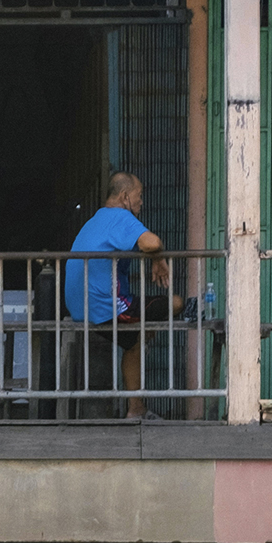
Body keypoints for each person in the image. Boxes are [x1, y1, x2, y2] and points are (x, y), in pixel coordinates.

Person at [63, 172, 170, 416]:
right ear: (125, 197)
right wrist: (159, 258)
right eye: (139, 196)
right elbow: (151, 243)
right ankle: (136, 409)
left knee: (137, 335)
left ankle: (137, 408)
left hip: (79, 306)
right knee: (175, 303)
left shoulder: (96, 219)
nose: (142, 202)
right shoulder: (120, 216)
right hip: (104, 307)